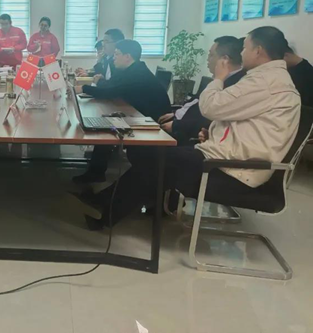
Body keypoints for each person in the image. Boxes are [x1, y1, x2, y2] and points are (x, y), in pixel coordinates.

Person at [92, 26, 301, 229]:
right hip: (227, 158)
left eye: (245, 48)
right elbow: (244, 121)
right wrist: (213, 133)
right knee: (153, 155)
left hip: (232, 169)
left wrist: (218, 78)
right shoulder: (269, 79)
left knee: (156, 159)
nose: (242, 53)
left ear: (258, 51)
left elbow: (211, 107)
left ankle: (107, 212)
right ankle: (108, 205)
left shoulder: (265, 82)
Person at [72, 39, 171, 184]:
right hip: (138, 114)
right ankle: (96, 171)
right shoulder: (130, 70)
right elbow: (110, 86)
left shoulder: (137, 73)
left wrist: (83, 88)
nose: (113, 58)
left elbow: (110, 91)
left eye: (117, 54)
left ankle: (96, 172)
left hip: (153, 123)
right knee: (107, 121)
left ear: (127, 56)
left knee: (107, 125)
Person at [158, 36, 246, 146]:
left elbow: (209, 116)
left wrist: (176, 126)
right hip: (181, 125)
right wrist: (176, 113)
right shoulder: (222, 79)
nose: (208, 59)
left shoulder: (234, 84)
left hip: (189, 137)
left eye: (211, 55)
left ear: (224, 60)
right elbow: (196, 103)